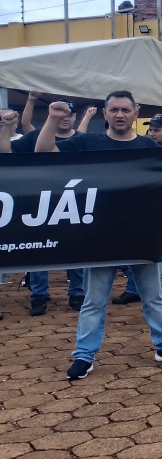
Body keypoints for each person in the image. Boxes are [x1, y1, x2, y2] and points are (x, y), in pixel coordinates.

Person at [34, 94, 162, 380]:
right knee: (94, 299)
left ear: (136, 113)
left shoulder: (148, 146)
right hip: (101, 236)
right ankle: (84, 355)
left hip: (142, 234)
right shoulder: (87, 142)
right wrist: (53, 118)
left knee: (153, 296)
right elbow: (44, 152)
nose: (120, 114)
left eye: (125, 110)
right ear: (104, 113)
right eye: (114, 109)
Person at [2, 100, 88, 316]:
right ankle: (39, 295)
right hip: (39, 203)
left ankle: (77, 292)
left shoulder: (82, 141)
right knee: (39, 248)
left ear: (75, 117)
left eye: (70, 114)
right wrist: (4, 128)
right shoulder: (35, 137)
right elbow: (6, 153)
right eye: (61, 113)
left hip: (73, 201)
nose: (65, 117)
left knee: (76, 248)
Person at [110, 114, 162, 305]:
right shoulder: (141, 151)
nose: (152, 133)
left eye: (156, 130)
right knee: (137, 247)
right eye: (150, 129)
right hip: (141, 210)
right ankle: (133, 289)